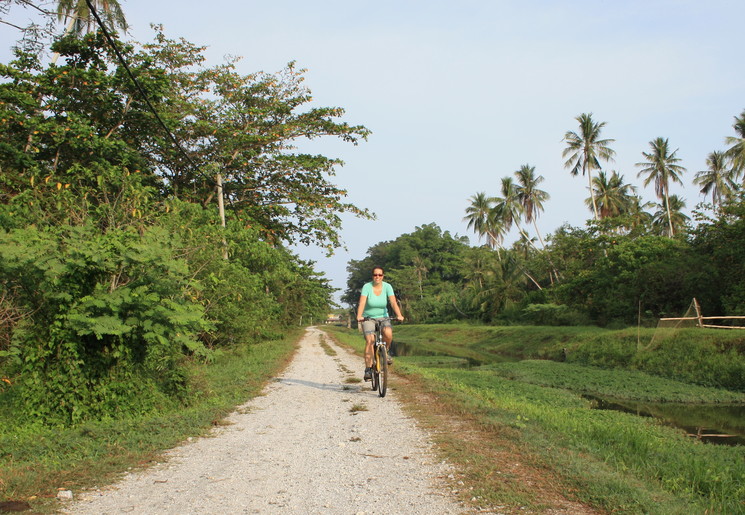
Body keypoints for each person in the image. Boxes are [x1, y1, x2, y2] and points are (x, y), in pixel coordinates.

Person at [356, 266, 404, 381]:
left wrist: (399, 315)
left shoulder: (387, 286)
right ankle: (368, 369)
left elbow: (393, 302)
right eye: (375, 275)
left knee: (388, 333)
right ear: (372, 276)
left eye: (380, 275)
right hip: (368, 317)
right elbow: (362, 302)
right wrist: (359, 315)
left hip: (383, 317)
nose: (377, 277)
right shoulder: (367, 287)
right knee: (370, 341)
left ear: (383, 276)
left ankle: (385, 352)